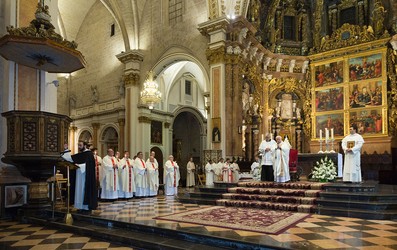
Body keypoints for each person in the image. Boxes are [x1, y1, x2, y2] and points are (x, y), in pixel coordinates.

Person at [61, 141, 97, 213]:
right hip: (79, 175)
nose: (79, 147)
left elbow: (89, 165)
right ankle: (80, 207)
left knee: (84, 190)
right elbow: (70, 159)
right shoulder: (81, 154)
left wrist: (79, 166)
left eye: (80, 145)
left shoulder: (89, 154)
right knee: (79, 190)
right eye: (78, 145)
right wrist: (66, 149)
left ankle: (86, 208)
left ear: (85, 146)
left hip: (85, 176)